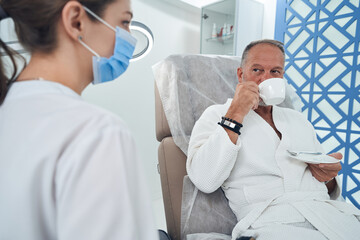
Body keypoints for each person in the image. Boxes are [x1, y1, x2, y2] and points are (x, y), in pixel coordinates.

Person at [0, 0, 158, 239]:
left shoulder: (9, 110)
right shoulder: (97, 133)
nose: (130, 38)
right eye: (124, 22)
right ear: (76, 20)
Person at [186, 39, 360, 240]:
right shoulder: (217, 115)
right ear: (241, 75)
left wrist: (327, 176)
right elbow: (204, 179)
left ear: (282, 77)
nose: (265, 79)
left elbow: (326, 186)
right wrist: (236, 113)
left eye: (275, 72)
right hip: (271, 223)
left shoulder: (298, 120)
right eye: (257, 70)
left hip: (330, 216)